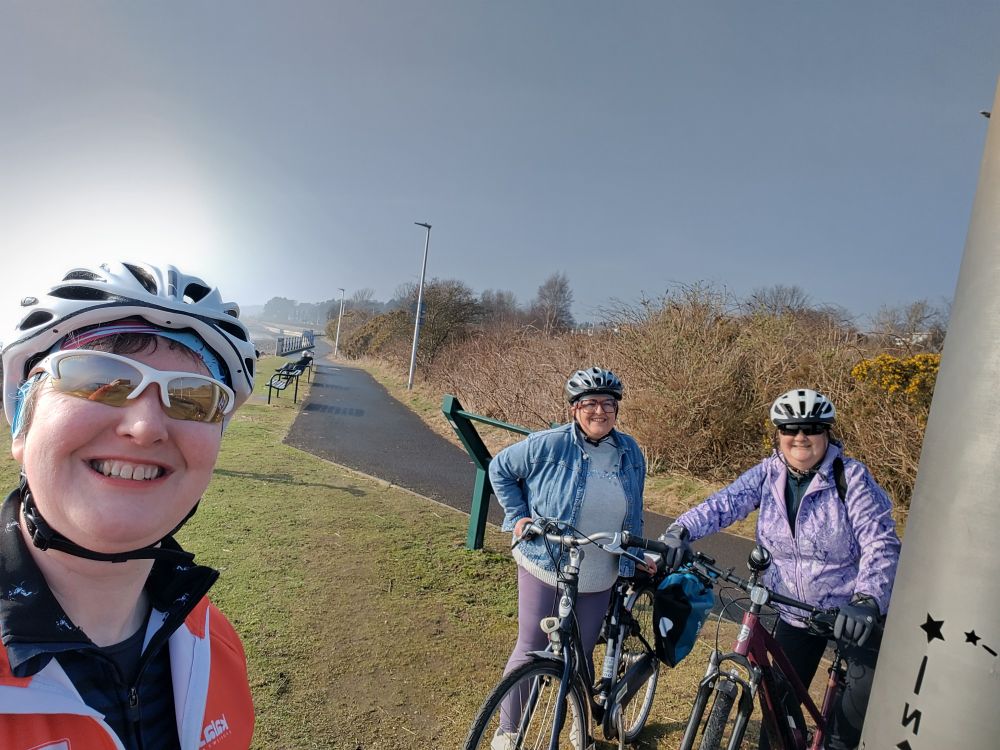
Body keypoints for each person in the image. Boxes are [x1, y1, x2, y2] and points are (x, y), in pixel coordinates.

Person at [0, 261, 258, 750]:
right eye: (100, 379)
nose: (145, 427)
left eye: (194, 399)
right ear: (22, 427)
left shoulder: (214, 643)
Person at [660, 388, 900, 750]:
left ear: (826, 434)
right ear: (778, 435)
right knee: (778, 711)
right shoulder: (767, 474)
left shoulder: (850, 478)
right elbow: (724, 504)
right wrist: (680, 530)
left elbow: (880, 542)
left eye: (811, 428)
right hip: (795, 612)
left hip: (850, 613)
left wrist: (867, 600)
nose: (800, 437)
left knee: (855, 709)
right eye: (790, 429)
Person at [487, 367, 648, 748]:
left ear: (617, 409)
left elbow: (636, 508)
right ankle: (509, 732)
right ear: (574, 408)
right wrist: (518, 516)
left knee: (581, 651)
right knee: (531, 646)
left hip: (600, 569)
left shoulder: (630, 451)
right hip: (547, 559)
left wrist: (636, 556)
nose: (599, 411)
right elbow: (501, 469)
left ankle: (579, 720)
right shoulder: (550, 443)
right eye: (589, 403)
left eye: (608, 403)